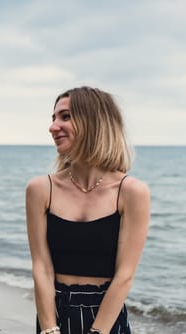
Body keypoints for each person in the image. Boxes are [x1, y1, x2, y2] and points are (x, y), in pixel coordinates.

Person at [26, 86, 150, 334]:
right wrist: (49, 328)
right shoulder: (40, 189)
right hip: (53, 312)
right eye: (53, 118)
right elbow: (41, 266)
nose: (53, 127)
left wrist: (97, 332)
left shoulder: (132, 192)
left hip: (107, 315)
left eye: (65, 116)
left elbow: (124, 275)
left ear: (95, 122)